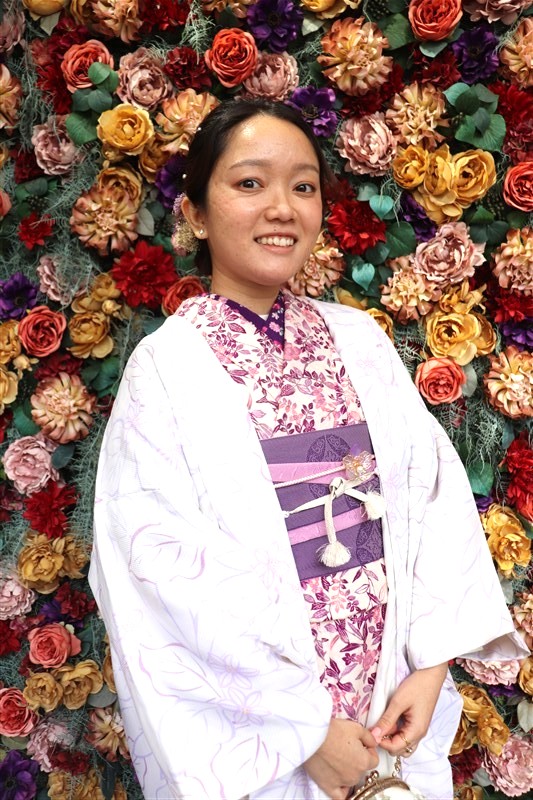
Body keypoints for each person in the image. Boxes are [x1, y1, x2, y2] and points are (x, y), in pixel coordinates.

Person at [89, 100, 527, 800]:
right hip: (267, 723)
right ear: (195, 213)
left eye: (302, 186)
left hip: (390, 691)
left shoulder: (360, 340)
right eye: (249, 183)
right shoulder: (166, 368)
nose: (281, 208)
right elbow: (161, 572)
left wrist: (430, 666)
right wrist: (305, 730)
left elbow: (430, 496)